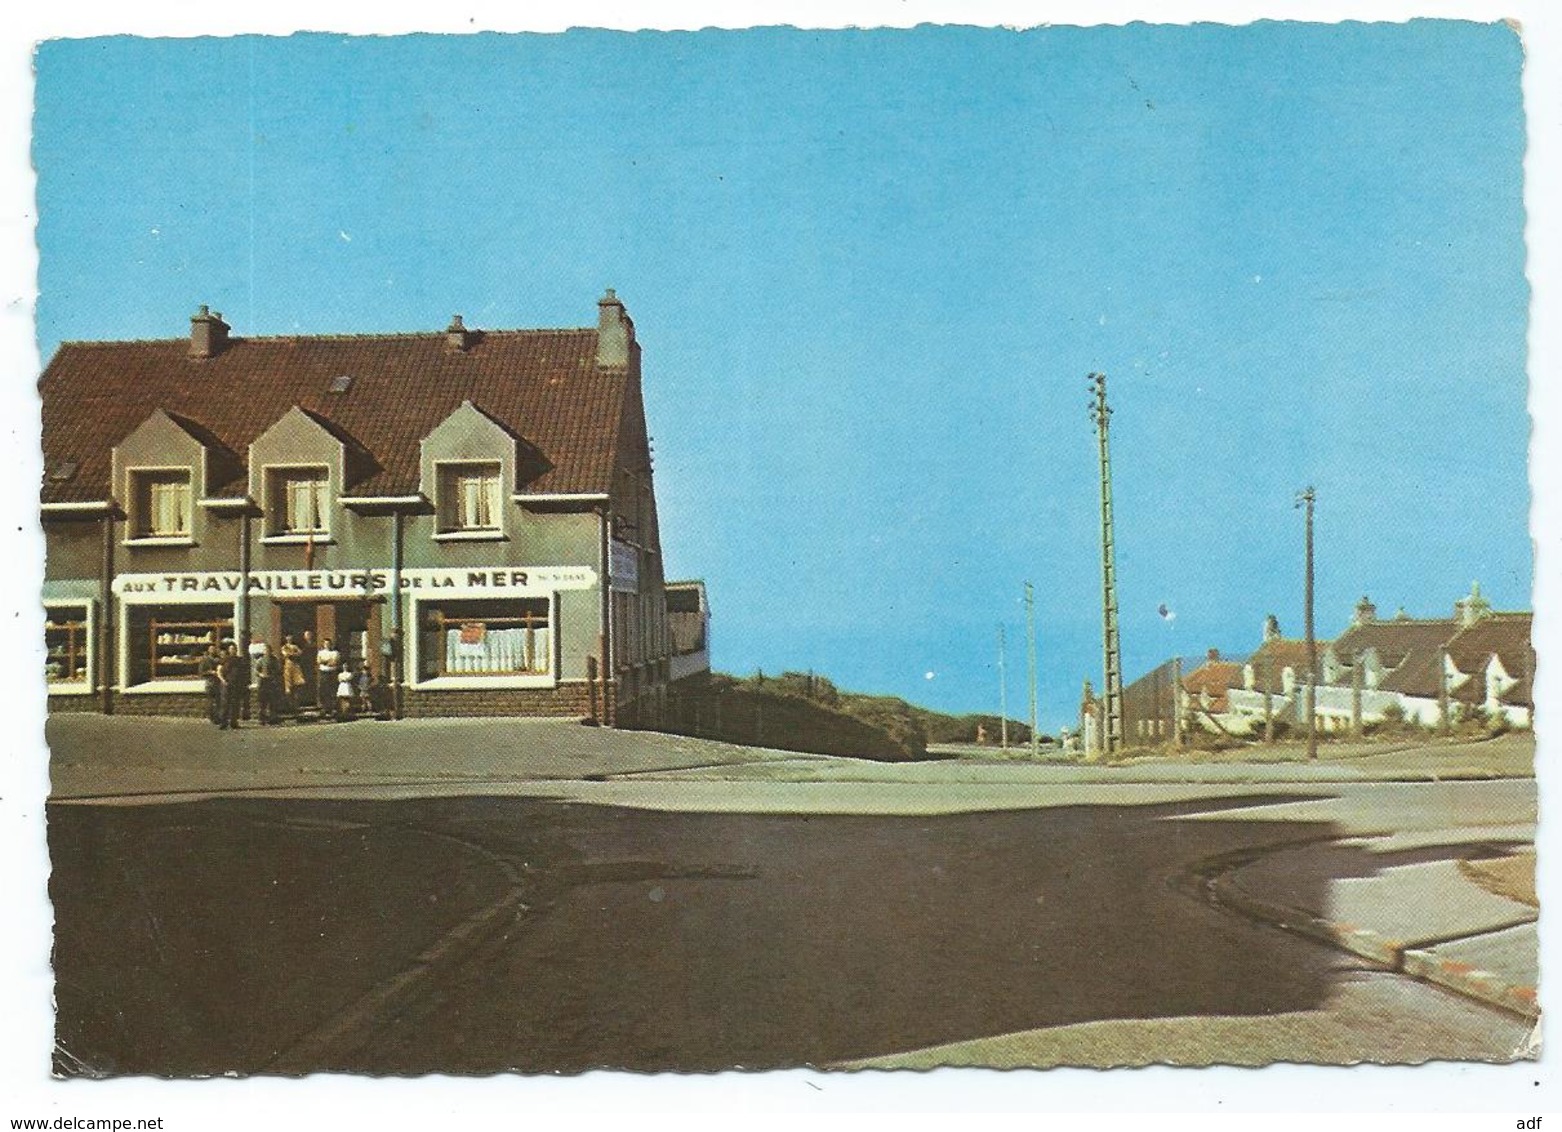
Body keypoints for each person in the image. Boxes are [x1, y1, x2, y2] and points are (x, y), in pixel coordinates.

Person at [220, 642, 245, 731]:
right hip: (227, 684)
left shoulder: (239, 660)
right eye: (231, 649)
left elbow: (243, 672)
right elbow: (219, 670)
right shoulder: (225, 659)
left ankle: (234, 722)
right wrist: (223, 680)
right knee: (225, 704)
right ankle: (223, 723)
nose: (233, 650)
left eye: (234, 649)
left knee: (235, 704)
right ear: (229, 650)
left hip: (236, 684)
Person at [252, 642, 278, 725]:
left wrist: (273, 675)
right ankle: (261, 719)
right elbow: (256, 670)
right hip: (263, 682)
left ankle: (272, 719)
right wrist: (260, 674)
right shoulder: (260, 660)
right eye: (265, 650)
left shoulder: (274, 660)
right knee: (262, 702)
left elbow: (277, 670)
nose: (267, 652)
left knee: (272, 701)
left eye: (268, 650)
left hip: (271, 682)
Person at [316, 637, 341, 720]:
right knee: (323, 690)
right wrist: (327, 662)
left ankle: (333, 708)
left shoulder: (335, 653)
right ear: (323, 644)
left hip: (332, 673)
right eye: (325, 644)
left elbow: (334, 662)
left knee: (332, 690)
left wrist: (326, 661)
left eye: (328, 644)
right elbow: (319, 661)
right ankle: (324, 708)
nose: (327, 645)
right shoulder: (320, 652)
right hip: (323, 672)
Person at [197, 643, 223, 727]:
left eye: (214, 649)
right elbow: (201, 672)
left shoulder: (218, 659)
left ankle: (218, 717)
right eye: (211, 649)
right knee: (211, 701)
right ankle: (212, 717)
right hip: (209, 682)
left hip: (218, 682)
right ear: (208, 650)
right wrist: (210, 672)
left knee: (218, 700)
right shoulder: (205, 660)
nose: (213, 650)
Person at [280, 635, 305, 719]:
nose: (289, 639)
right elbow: (286, 655)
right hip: (288, 666)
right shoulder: (284, 647)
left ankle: (296, 706)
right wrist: (292, 654)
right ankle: (290, 707)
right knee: (288, 687)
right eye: (288, 638)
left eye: (291, 638)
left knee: (298, 685)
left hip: (295, 666)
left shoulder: (295, 646)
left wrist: (293, 654)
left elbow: (300, 653)